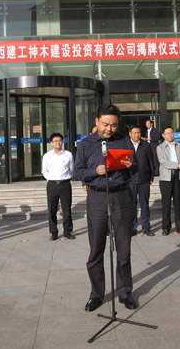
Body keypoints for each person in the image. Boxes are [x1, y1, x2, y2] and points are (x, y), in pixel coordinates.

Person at [74, 104, 139, 312]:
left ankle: (124, 292)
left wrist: (131, 165)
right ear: (97, 121)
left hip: (122, 196)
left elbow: (136, 167)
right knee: (96, 250)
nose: (109, 129)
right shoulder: (86, 144)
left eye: (113, 125)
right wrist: (95, 170)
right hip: (97, 198)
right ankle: (96, 294)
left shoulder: (124, 140)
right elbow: (77, 172)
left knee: (124, 249)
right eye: (105, 124)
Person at [156, 125, 180, 236]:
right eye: (167, 133)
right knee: (166, 203)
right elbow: (163, 161)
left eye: (171, 132)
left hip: (178, 177)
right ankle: (166, 227)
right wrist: (178, 165)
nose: (170, 135)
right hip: (166, 178)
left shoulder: (179, 146)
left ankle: (179, 226)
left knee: (177, 202)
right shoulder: (160, 148)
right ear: (163, 135)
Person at [43, 133, 75, 241]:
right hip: (52, 185)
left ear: (62, 142)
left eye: (60, 140)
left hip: (65, 184)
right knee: (52, 209)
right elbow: (45, 171)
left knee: (67, 209)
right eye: (55, 141)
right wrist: (52, 179)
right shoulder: (47, 156)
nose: (58, 142)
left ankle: (67, 231)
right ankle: (53, 232)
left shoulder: (68, 155)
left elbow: (71, 169)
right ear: (51, 143)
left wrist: (65, 178)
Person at [129, 125, 155, 237]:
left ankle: (146, 227)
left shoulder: (146, 145)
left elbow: (151, 161)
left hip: (144, 180)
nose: (137, 135)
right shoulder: (126, 145)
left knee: (144, 205)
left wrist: (151, 177)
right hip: (130, 180)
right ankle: (132, 227)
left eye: (138, 132)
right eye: (134, 133)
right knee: (131, 206)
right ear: (130, 134)